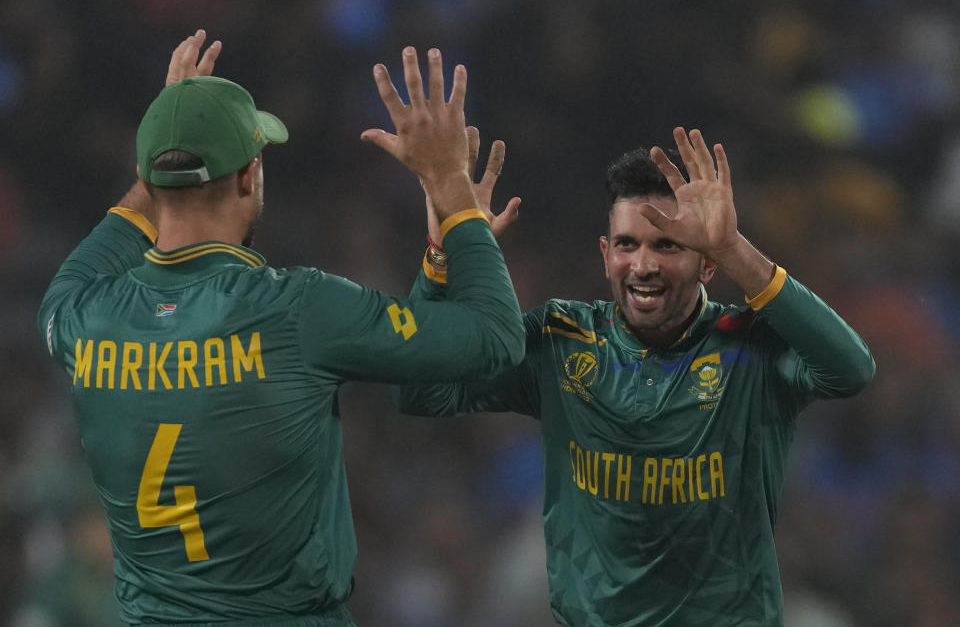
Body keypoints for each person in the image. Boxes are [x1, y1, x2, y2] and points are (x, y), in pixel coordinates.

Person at [36, 30, 524, 626]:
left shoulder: (83, 318)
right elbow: (495, 336)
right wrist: (453, 195)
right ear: (250, 175)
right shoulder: (296, 309)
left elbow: (64, 292)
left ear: (149, 176)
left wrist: (171, 137)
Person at [398, 126, 876, 626]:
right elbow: (422, 389)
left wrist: (736, 249)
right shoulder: (561, 340)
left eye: (667, 246)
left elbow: (851, 369)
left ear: (707, 264)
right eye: (627, 244)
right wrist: (442, 252)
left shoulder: (750, 347)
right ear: (605, 253)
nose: (642, 265)